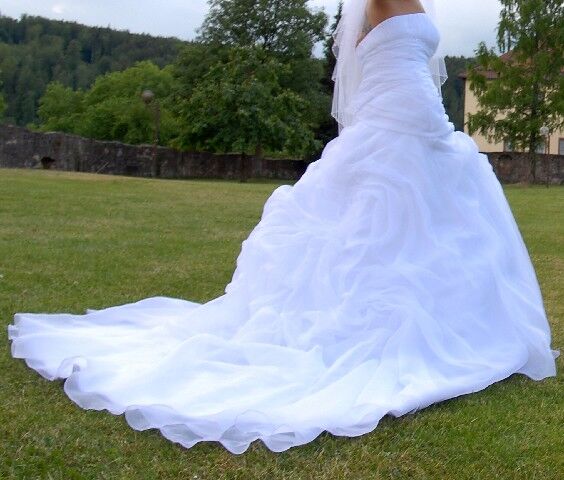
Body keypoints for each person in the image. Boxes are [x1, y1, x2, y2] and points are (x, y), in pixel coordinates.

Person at [8, 0, 558, 454]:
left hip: (419, 117)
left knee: (433, 225)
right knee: (390, 225)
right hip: (403, 117)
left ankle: (464, 326)